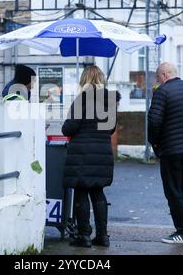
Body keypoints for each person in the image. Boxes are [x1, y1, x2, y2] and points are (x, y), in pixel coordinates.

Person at [62, 66, 117, 248]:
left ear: (84, 79)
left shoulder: (81, 99)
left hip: (82, 154)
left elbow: (68, 128)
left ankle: (83, 236)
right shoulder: (109, 100)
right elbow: (110, 129)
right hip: (102, 153)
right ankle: (103, 236)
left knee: (81, 192)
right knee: (98, 192)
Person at [148, 62, 183, 244]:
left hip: (171, 149)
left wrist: (155, 144)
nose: (157, 81)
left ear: (163, 75)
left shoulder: (162, 92)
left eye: (157, 78)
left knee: (174, 191)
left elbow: (154, 122)